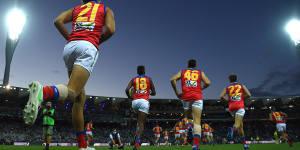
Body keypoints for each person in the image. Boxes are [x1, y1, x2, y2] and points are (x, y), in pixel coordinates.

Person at [22, 0, 115, 149]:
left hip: (69, 47)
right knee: (72, 92)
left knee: (79, 98)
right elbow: (110, 30)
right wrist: (96, 41)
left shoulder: (76, 9)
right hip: (87, 46)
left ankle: (82, 146)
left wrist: (70, 38)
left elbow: (57, 21)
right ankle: (43, 92)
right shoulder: (105, 9)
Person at [170, 59, 211, 150]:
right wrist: (200, 89)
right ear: (195, 65)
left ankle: (189, 127)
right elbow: (208, 82)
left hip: (186, 97)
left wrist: (177, 93)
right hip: (197, 97)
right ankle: (195, 145)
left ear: (187, 65)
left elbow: (172, 80)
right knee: (197, 121)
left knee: (189, 118)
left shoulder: (183, 72)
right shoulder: (199, 72)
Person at [125, 65, 156, 150]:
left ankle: (136, 132)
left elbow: (127, 90)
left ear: (137, 72)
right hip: (144, 101)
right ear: (144, 71)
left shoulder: (133, 79)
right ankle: (137, 144)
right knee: (141, 124)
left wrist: (129, 97)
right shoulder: (149, 79)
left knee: (138, 121)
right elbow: (154, 92)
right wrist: (149, 92)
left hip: (134, 102)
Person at [220, 74, 251, 149]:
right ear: (237, 79)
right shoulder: (241, 86)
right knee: (237, 124)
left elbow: (221, 96)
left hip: (231, 108)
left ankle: (245, 144)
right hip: (239, 106)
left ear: (229, 80)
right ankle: (232, 130)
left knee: (241, 126)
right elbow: (249, 94)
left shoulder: (227, 87)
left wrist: (228, 100)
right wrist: (241, 98)